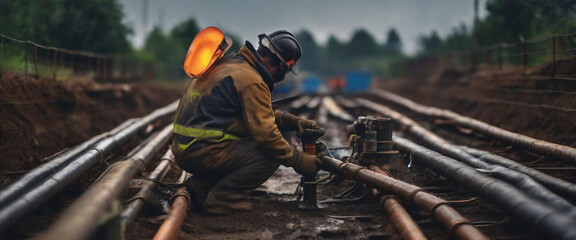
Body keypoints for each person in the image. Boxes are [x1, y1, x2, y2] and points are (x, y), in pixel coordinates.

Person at [171, 30, 323, 212]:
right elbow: (267, 136)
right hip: (201, 153)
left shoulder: (231, 64)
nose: (282, 76)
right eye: (284, 69)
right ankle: (223, 199)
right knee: (269, 153)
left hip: (187, 148)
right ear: (273, 62)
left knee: (255, 142)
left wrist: (291, 122)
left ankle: (200, 187)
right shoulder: (251, 80)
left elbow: (255, 113)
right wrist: (298, 160)